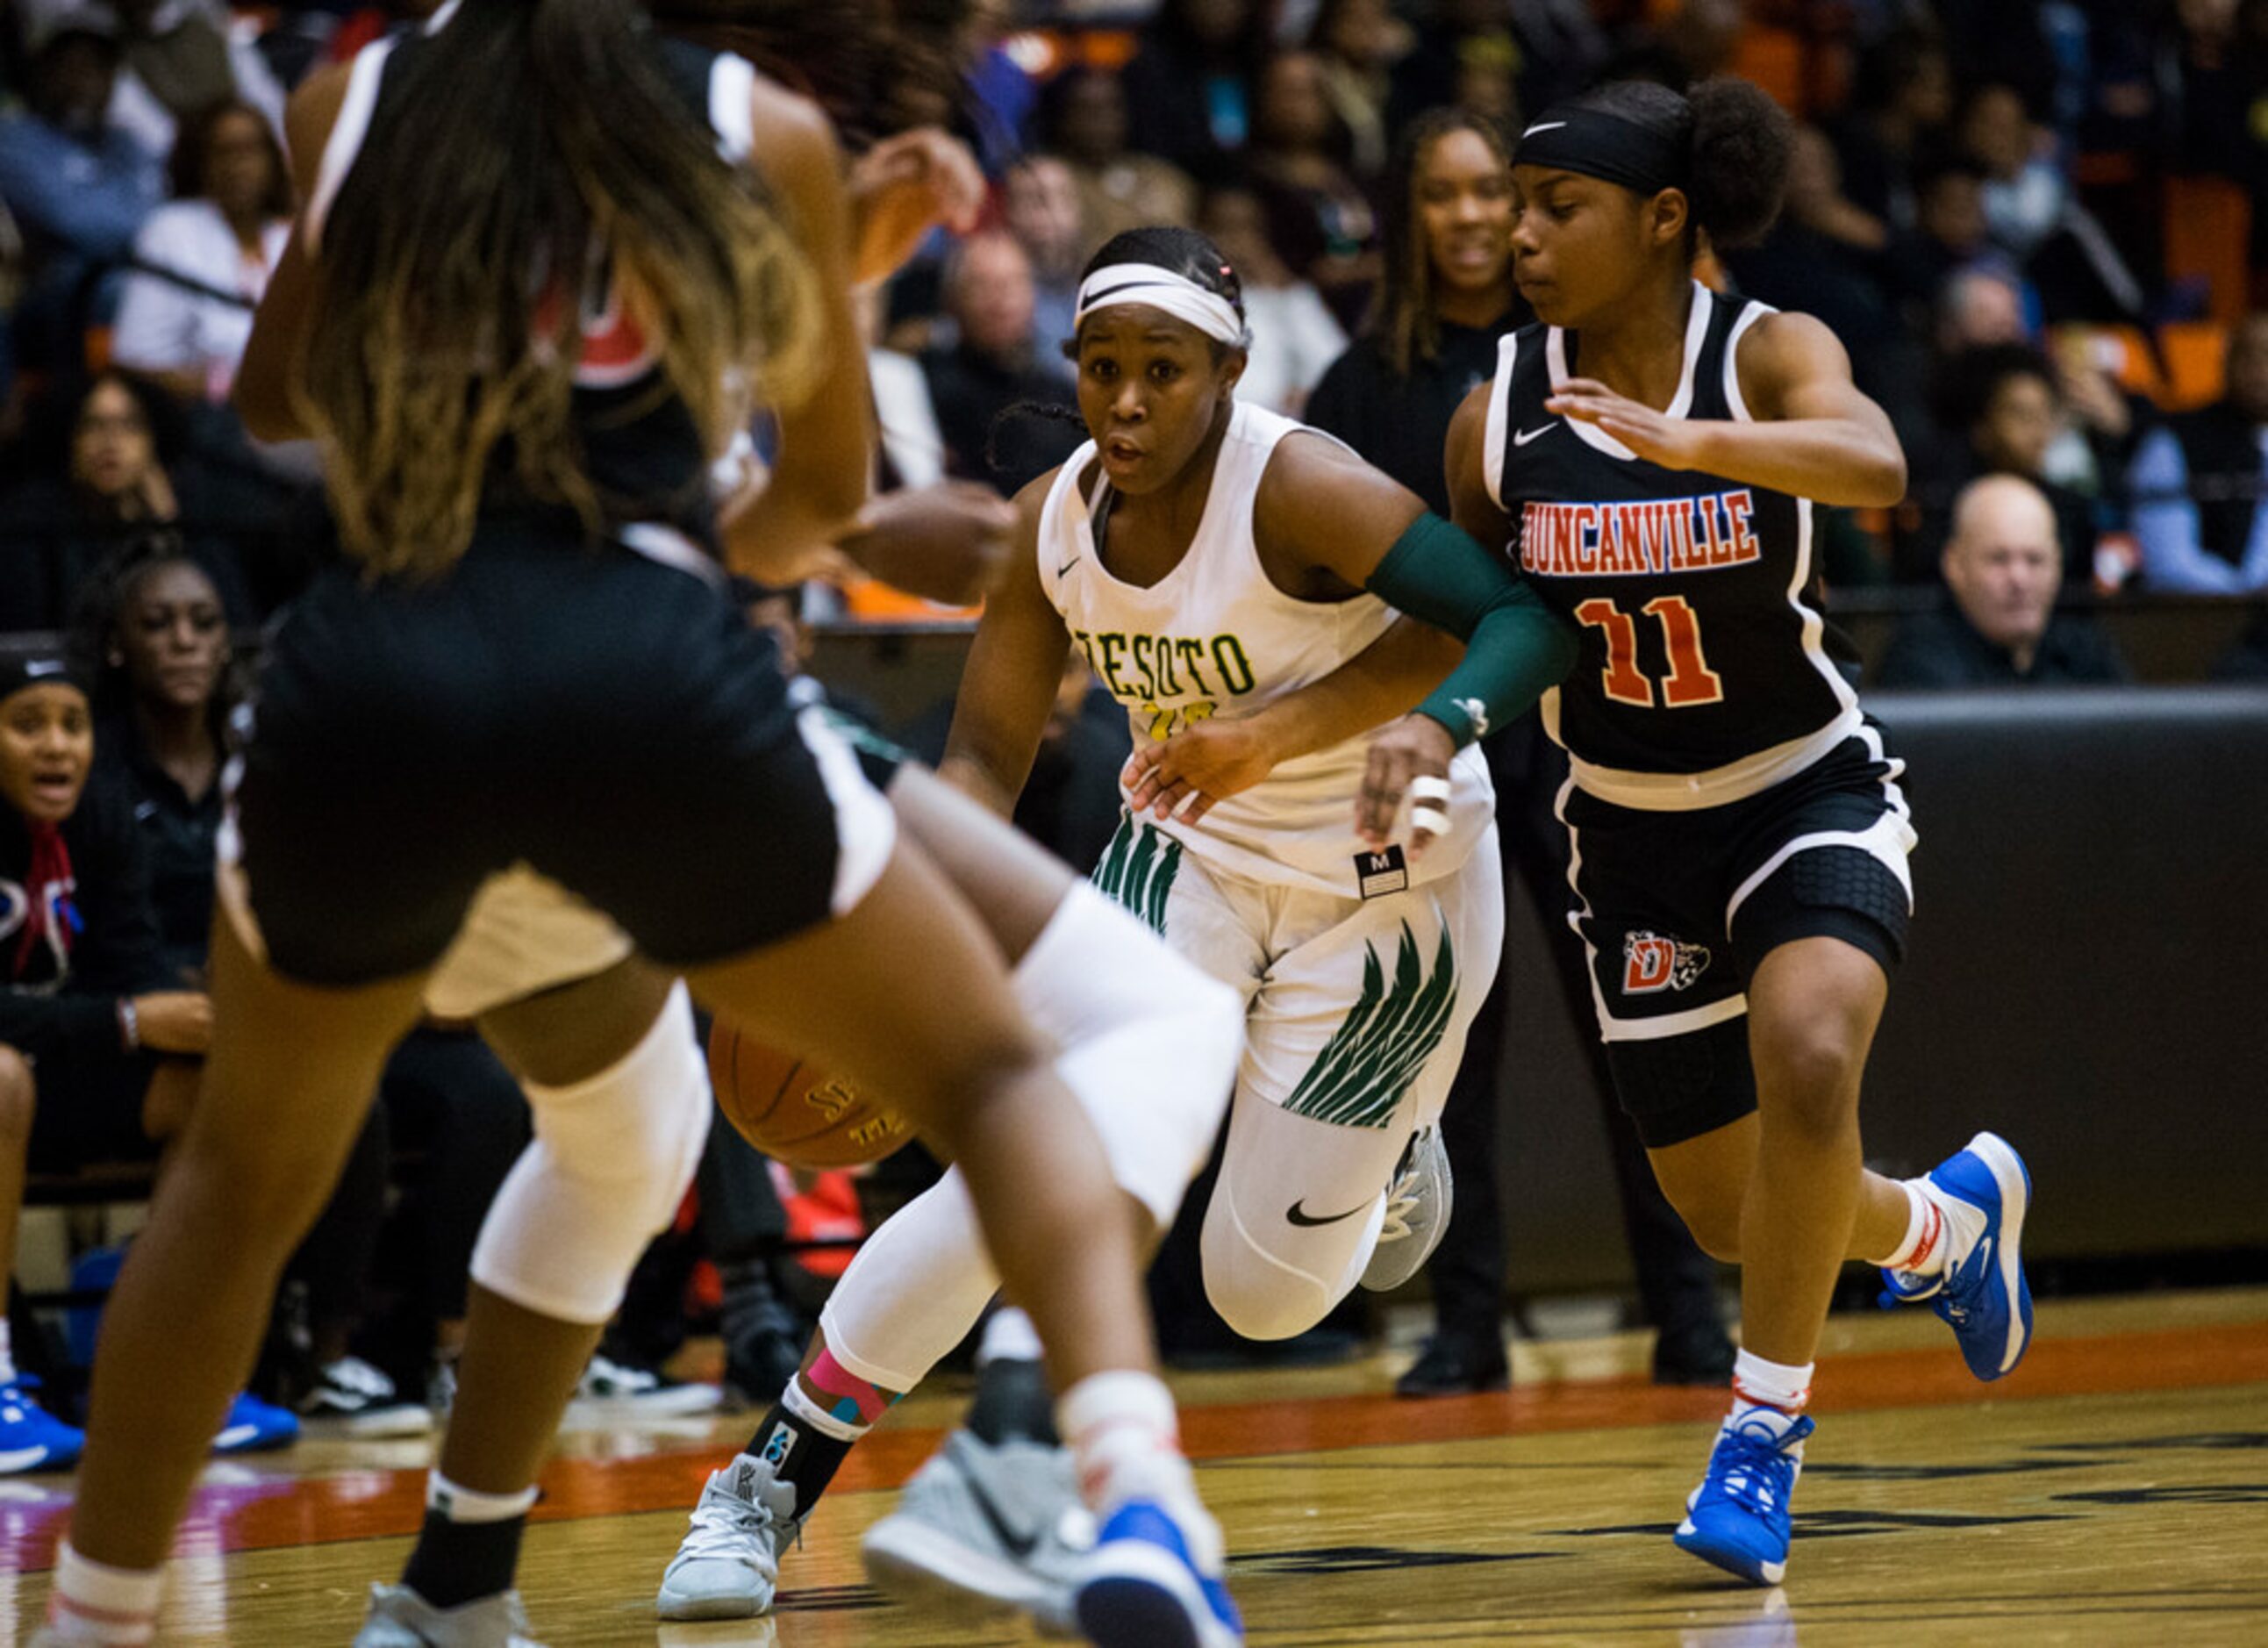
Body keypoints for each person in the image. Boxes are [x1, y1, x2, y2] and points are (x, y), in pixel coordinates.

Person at [31, 8, 1243, 1648]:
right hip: (639, 685)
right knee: (1041, 1052)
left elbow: (276, 406)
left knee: (313, 1167)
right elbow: (799, 509)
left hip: (372, 686)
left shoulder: (348, 99)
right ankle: (1084, 1469)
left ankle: (220, 1608)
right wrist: (837, 294)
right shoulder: (756, 122)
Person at [655, 222, 1578, 1629]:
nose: (1128, 400)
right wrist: (895, 940)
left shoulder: (1302, 484)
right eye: (1101, 368)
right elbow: (978, 773)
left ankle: (1395, 1139)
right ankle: (770, 1478)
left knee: (1265, 1299)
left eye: (1162, 370)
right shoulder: (1050, 523)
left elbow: (1515, 620)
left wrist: (1278, 731)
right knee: (1021, 1164)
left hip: (1388, 885)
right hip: (1188, 857)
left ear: (1225, 369)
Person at [1355, 78, 2036, 1586]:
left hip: (1804, 784)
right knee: (1730, 1209)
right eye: (1515, 209)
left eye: (1557, 209)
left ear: (1665, 220)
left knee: (1810, 1056)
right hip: (1629, 828)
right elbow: (1474, 620)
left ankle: (1762, 1436)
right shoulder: (1499, 408)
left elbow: (1878, 465)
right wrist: (1346, 725)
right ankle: (1939, 1228)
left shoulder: (1770, 346)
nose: (1520, 237)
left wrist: (1689, 442)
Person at [1305, 105, 1733, 1395]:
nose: (1476, 216)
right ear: (1409, 216)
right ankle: (1465, 1318)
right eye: (1442, 194)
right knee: (1448, 1045)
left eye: (1496, 190)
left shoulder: (1594, 345)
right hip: (1437, 737)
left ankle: (1689, 1308)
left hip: (1588, 735)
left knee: (1636, 1030)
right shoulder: (1361, 380)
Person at [0, 654, 299, 1470]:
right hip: (14, 1077)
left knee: (217, 1082)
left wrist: (197, 1012)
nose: (57, 746)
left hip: (57, 1070)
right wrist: (130, 1020)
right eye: (28, 726)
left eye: (73, 724)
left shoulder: (99, 814)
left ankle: (175, 1370)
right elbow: (120, 1010)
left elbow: (131, 960)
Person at [111, 99, 294, 408]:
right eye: (224, 152)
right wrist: (221, 387)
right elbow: (135, 361)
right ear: (200, 160)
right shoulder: (171, 230)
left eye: (250, 149)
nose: (238, 166)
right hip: (209, 420)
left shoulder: (289, 236)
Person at [1877, 474, 2128, 688]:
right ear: (1954, 564)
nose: (2019, 579)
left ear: (2058, 564)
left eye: (2035, 559)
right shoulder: (1917, 663)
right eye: (1998, 559)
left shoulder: (2086, 652)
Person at [2128, 311, 2268, 593]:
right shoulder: (2174, 439)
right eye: (2248, 355)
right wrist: (2244, 598)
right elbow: (2169, 562)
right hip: (2199, 620)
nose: (2260, 369)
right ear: (2225, 362)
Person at [919, 231, 1067, 491]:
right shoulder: (922, 386)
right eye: (982, 286)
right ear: (952, 300)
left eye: (1013, 283)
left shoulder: (1063, 396)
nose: (1001, 299)